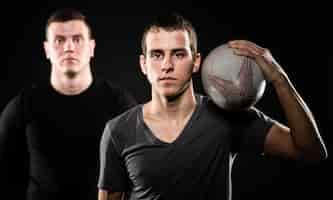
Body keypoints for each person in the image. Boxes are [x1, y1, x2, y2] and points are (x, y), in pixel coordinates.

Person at [97, 13, 327, 200]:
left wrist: (279, 79)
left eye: (178, 54)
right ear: (143, 64)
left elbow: (311, 151)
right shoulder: (118, 130)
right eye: (157, 55)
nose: (167, 65)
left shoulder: (227, 116)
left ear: (196, 61)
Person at [0, 8, 136, 200]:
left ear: (91, 48)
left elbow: (137, 178)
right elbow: (6, 179)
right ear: (47, 50)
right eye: (59, 40)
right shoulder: (22, 107)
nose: (69, 47)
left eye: (77, 39)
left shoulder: (120, 104)